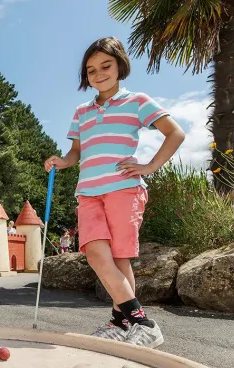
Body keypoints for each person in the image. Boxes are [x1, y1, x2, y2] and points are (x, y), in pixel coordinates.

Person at [44, 36, 185, 348]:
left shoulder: (137, 102)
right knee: (96, 252)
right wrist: (62, 161)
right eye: (91, 70)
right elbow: (75, 152)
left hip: (124, 189)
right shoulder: (82, 111)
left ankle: (122, 323)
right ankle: (141, 322)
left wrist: (149, 166)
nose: (99, 73)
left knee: (120, 261)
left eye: (105, 66)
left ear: (120, 65)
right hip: (88, 192)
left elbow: (175, 132)